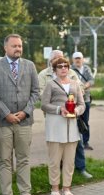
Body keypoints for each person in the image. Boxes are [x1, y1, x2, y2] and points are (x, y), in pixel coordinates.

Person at [0, 34, 40, 195]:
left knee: (23, 159)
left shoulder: (30, 65)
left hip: (24, 121)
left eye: (20, 46)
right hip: (2, 122)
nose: (18, 49)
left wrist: (25, 112)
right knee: (4, 160)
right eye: (14, 46)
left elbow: (35, 92)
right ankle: (6, 194)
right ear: (5, 48)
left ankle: (25, 193)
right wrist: (6, 114)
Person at [38, 50, 92, 179]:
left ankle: (81, 168)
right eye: (56, 60)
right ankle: (58, 172)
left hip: (73, 115)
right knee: (57, 145)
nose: (61, 63)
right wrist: (58, 105)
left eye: (62, 59)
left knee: (77, 142)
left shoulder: (71, 72)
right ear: (51, 62)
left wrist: (74, 104)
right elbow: (40, 94)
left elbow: (80, 88)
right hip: (54, 115)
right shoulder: (43, 74)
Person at [41, 57, 85, 195]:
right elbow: (44, 105)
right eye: (60, 66)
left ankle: (66, 189)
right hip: (55, 126)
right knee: (54, 160)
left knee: (69, 161)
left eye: (65, 66)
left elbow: (82, 104)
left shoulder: (75, 84)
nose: (63, 68)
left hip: (72, 128)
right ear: (54, 69)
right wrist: (59, 109)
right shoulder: (50, 84)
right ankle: (54, 189)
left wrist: (76, 111)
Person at [71, 51, 94, 150]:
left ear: (82, 59)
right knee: (73, 120)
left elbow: (91, 80)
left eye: (79, 58)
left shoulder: (86, 69)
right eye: (76, 58)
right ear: (73, 60)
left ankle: (85, 142)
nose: (78, 60)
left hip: (85, 98)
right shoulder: (70, 69)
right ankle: (74, 141)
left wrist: (83, 87)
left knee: (85, 121)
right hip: (73, 99)